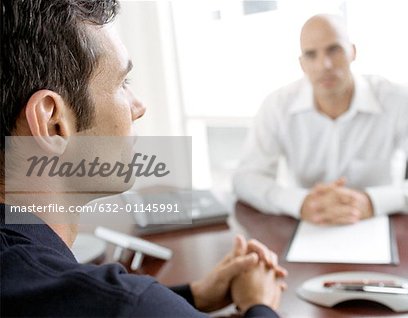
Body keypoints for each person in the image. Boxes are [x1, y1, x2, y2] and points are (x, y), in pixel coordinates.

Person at [0, 1, 287, 317]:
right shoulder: (128, 303)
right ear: (53, 123)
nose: (139, 106)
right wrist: (260, 304)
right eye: (122, 83)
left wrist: (192, 296)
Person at [233, 14, 408, 225]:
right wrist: (301, 202)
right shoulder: (277, 106)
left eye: (333, 49)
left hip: (383, 227)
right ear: (301, 63)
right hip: (310, 225)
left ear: (352, 52)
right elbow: (245, 178)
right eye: (311, 54)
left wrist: (372, 202)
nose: (324, 65)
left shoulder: (404, 101)